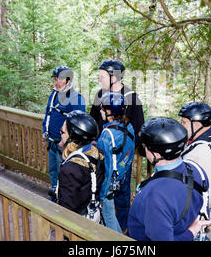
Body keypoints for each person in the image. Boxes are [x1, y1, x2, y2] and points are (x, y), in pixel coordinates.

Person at [127, 117, 210, 241]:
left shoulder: (155, 196)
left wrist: (191, 232)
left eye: (146, 146)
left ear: (157, 154)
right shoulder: (196, 170)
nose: (145, 149)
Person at [89, 59, 144, 232]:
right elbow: (92, 121)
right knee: (100, 190)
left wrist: (126, 155)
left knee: (121, 195)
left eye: (102, 76)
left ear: (114, 77)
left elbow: (138, 129)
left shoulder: (131, 98)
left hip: (121, 159)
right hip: (100, 155)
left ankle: (122, 230)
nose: (99, 79)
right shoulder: (100, 95)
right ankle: (104, 226)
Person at [178, 102, 211, 240]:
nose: (181, 126)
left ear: (198, 124)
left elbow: (203, 194)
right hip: (207, 216)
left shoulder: (202, 154)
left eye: (185, 123)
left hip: (197, 218)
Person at [53, 110, 104, 222]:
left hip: (76, 223)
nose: (60, 134)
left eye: (62, 132)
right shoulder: (98, 154)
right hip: (91, 212)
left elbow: (67, 208)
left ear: (72, 137)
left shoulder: (69, 170)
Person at [42, 65, 86, 192]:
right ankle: (54, 194)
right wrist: (45, 129)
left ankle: (63, 202)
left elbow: (78, 124)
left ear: (68, 81)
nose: (56, 82)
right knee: (53, 172)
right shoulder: (54, 94)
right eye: (55, 79)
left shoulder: (76, 98)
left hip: (64, 146)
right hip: (52, 142)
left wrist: (67, 142)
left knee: (64, 175)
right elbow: (48, 113)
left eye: (59, 79)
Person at [96, 92, 135, 233]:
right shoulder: (129, 127)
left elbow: (104, 166)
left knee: (109, 216)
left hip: (109, 183)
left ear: (109, 112)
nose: (100, 111)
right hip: (122, 175)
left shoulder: (107, 135)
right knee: (114, 213)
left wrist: (102, 194)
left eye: (102, 108)